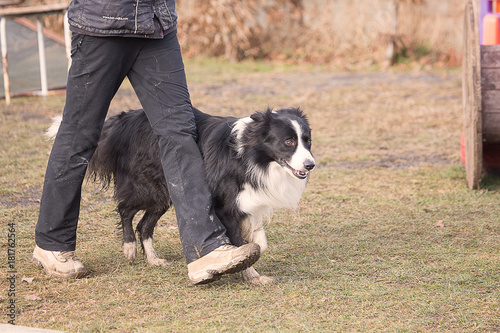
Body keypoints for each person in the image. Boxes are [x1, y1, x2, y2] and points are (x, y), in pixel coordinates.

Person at [32, 0, 260, 285]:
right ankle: (52, 243)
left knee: (180, 132)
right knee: (79, 135)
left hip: (156, 26)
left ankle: (207, 247)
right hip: (102, 25)